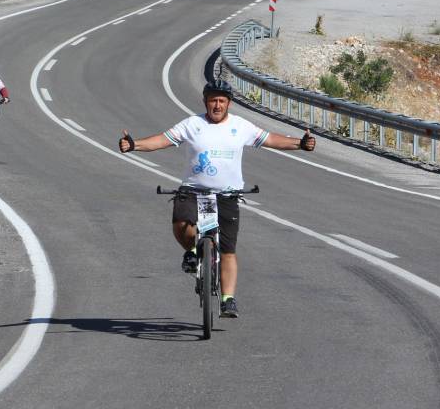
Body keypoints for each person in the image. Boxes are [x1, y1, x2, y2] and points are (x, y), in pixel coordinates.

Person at [117, 79, 316, 318]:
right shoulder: (193, 124)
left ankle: (228, 299)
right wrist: (134, 145)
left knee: (228, 250)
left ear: (229, 104)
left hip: (227, 195)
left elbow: (271, 139)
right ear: (205, 102)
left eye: (222, 101)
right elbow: (162, 140)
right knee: (181, 223)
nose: (217, 105)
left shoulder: (241, 126)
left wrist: (300, 144)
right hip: (193, 191)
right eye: (213, 100)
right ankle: (192, 251)